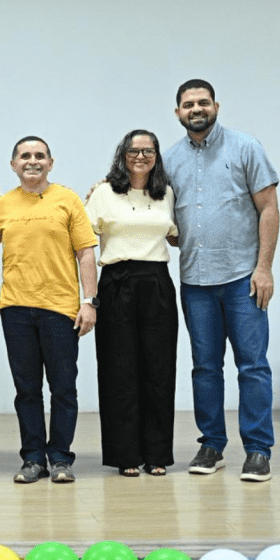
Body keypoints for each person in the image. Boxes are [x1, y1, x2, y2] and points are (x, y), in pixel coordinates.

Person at [166, 79, 280, 483]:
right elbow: (166, 221)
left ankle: (258, 450)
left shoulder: (246, 147)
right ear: (177, 113)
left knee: (252, 366)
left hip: (242, 279)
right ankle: (212, 444)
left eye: (203, 102)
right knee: (205, 368)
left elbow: (269, 208)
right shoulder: (169, 159)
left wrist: (264, 268)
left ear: (216, 106)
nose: (196, 109)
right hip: (195, 281)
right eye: (188, 104)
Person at [0, 136, 98, 484]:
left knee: (63, 388)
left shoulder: (67, 199)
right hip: (15, 309)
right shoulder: (3, 205)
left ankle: (61, 458)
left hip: (60, 309)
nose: (32, 161)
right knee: (27, 390)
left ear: (51, 163)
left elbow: (85, 253)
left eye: (39, 155)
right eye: (25, 156)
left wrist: (89, 302)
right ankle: (33, 459)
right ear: (13, 165)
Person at [85, 130, 178, 477]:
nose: (141, 156)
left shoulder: (166, 193)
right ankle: (125, 454)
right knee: (118, 369)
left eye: (148, 151)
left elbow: (177, 235)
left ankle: (157, 454)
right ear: (122, 154)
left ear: (156, 156)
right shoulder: (103, 193)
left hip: (156, 282)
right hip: (117, 281)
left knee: (159, 369)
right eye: (134, 150)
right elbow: (83, 241)